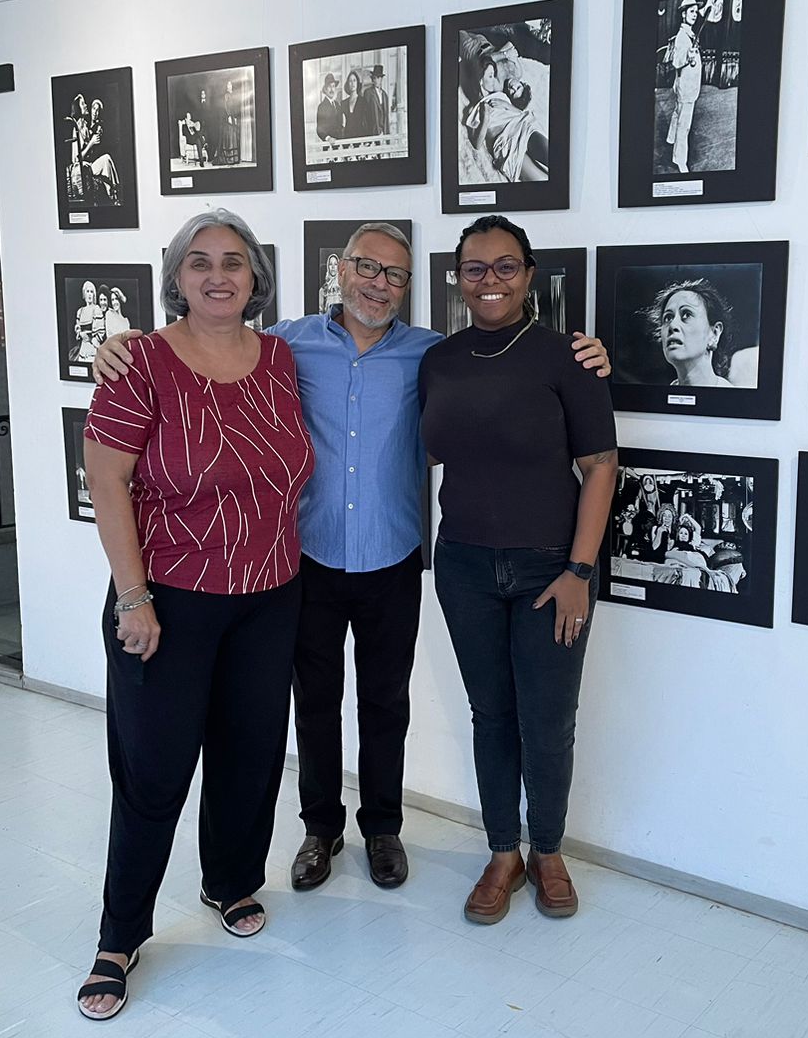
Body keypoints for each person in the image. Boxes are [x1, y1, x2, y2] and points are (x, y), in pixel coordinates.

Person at [93, 225, 610, 896]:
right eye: (367, 267)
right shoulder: (284, 346)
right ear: (340, 270)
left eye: (395, 274)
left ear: (409, 286)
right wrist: (121, 344)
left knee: (386, 702)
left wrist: (586, 353)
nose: (378, 284)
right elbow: (210, 339)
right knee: (314, 702)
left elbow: (504, 387)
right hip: (307, 557)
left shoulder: (431, 354)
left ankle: (384, 828)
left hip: (393, 555)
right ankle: (320, 828)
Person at [74, 209, 315, 1020]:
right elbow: (106, 481)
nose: (219, 276)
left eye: (234, 262)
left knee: (251, 754)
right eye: (200, 262)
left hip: (270, 594)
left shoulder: (279, 358)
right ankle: (119, 937)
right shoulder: (139, 362)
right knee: (153, 770)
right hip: (167, 600)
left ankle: (231, 881)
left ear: (255, 277)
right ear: (176, 276)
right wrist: (133, 597)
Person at [421, 214, 618, 924]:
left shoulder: (569, 357)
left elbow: (601, 467)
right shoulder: (438, 361)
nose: (491, 280)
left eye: (506, 266)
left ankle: (549, 851)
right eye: (475, 267)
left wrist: (580, 572)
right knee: (492, 715)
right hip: (463, 566)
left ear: (529, 275)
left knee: (549, 720)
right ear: (458, 279)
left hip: (550, 573)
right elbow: (430, 452)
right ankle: (503, 851)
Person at [464, 53, 549, 182]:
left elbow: (521, 113)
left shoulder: (502, 95)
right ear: (481, 81)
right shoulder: (475, 109)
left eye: (493, 74)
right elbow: (477, 144)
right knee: (542, 180)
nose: (494, 79)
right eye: (490, 76)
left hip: (522, 128)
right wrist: (485, 118)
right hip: (506, 145)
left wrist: (506, 105)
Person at [646, 278, 741, 387]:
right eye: (668, 318)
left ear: (714, 333)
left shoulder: (730, 396)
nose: (672, 325)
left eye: (687, 315)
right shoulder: (661, 396)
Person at [665, 0, 704, 172]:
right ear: (683, 14)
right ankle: (680, 159)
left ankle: (670, 139)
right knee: (684, 124)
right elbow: (676, 61)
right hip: (686, 88)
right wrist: (688, 56)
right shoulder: (682, 36)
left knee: (677, 113)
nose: (694, 14)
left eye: (696, 12)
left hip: (685, 85)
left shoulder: (689, 33)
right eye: (691, 11)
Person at [315, 72, 345, 144]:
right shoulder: (322, 107)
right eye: (329, 87)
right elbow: (319, 129)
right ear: (325, 89)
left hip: (340, 143)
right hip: (329, 145)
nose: (332, 89)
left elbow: (340, 125)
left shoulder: (337, 105)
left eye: (333, 86)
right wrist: (328, 138)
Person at [342, 70, 371, 139]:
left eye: (354, 80)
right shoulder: (343, 103)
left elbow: (368, 122)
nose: (352, 83)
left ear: (357, 83)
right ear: (347, 84)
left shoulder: (363, 101)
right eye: (350, 81)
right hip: (347, 139)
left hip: (361, 139)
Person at [365, 64, 391, 136]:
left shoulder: (385, 95)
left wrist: (386, 132)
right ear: (372, 79)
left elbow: (386, 116)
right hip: (372, 130)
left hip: (384, 131)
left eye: (378, 78)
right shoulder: (368, 93)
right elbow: (366, 114)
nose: (376, 80)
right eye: (374, 78)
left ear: (381, 79)